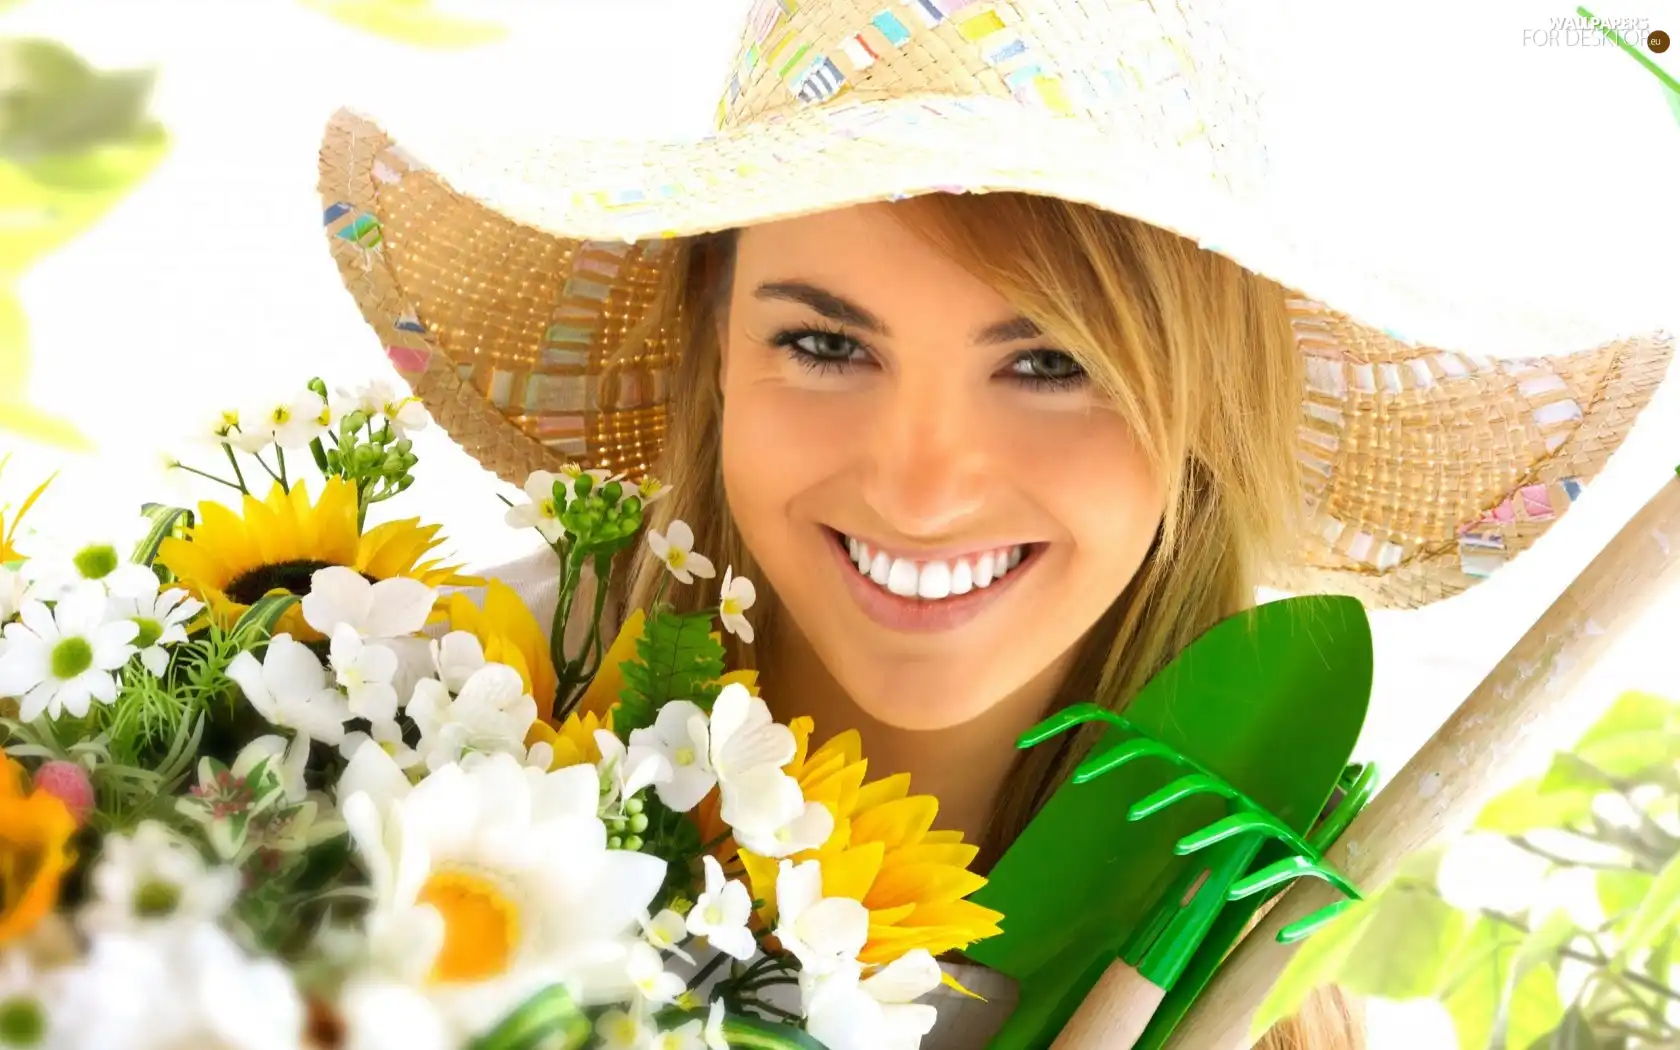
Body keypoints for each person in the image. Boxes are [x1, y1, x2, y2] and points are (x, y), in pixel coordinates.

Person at [313, 0, 1674, 1045]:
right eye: (826, 344)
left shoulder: (1250, 976)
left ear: (1204, 404)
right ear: (707, 347)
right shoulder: (387, 762)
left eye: (1049, 363)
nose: (922, 484)